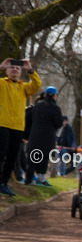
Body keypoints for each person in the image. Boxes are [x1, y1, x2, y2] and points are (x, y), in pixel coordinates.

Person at [0, 58, 42, 196]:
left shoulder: (24, 87)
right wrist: (1, 66)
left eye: (17, 69)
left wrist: (30, 70)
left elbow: (37, 85)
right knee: (1, 154)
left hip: (17, 127)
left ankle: (4, 183)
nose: (14, 70)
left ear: (20, 73)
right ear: (6, 71)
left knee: (12, 157)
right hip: (2, 124)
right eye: (12, 68)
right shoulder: (1, 83)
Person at [24, 86, 64, 187]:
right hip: (48, 138)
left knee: (32, 159)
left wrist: (26, 135)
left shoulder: (37, 106)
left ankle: (28, 180)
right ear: (55, 95)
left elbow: (28, 120)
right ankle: (41, 179)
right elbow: (59, 123)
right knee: (44, 159)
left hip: (34, 137)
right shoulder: (55, 108)